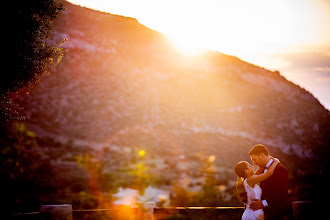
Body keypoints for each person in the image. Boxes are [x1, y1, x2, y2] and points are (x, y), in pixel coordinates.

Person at [248, 144, 289, 220]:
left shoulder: (279, 169)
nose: (254, 163)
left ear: (262, 155)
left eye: (254, 159)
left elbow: (282, 193)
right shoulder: (263, 169)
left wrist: (263, 203)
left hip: (277, 215)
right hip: (265, 214)